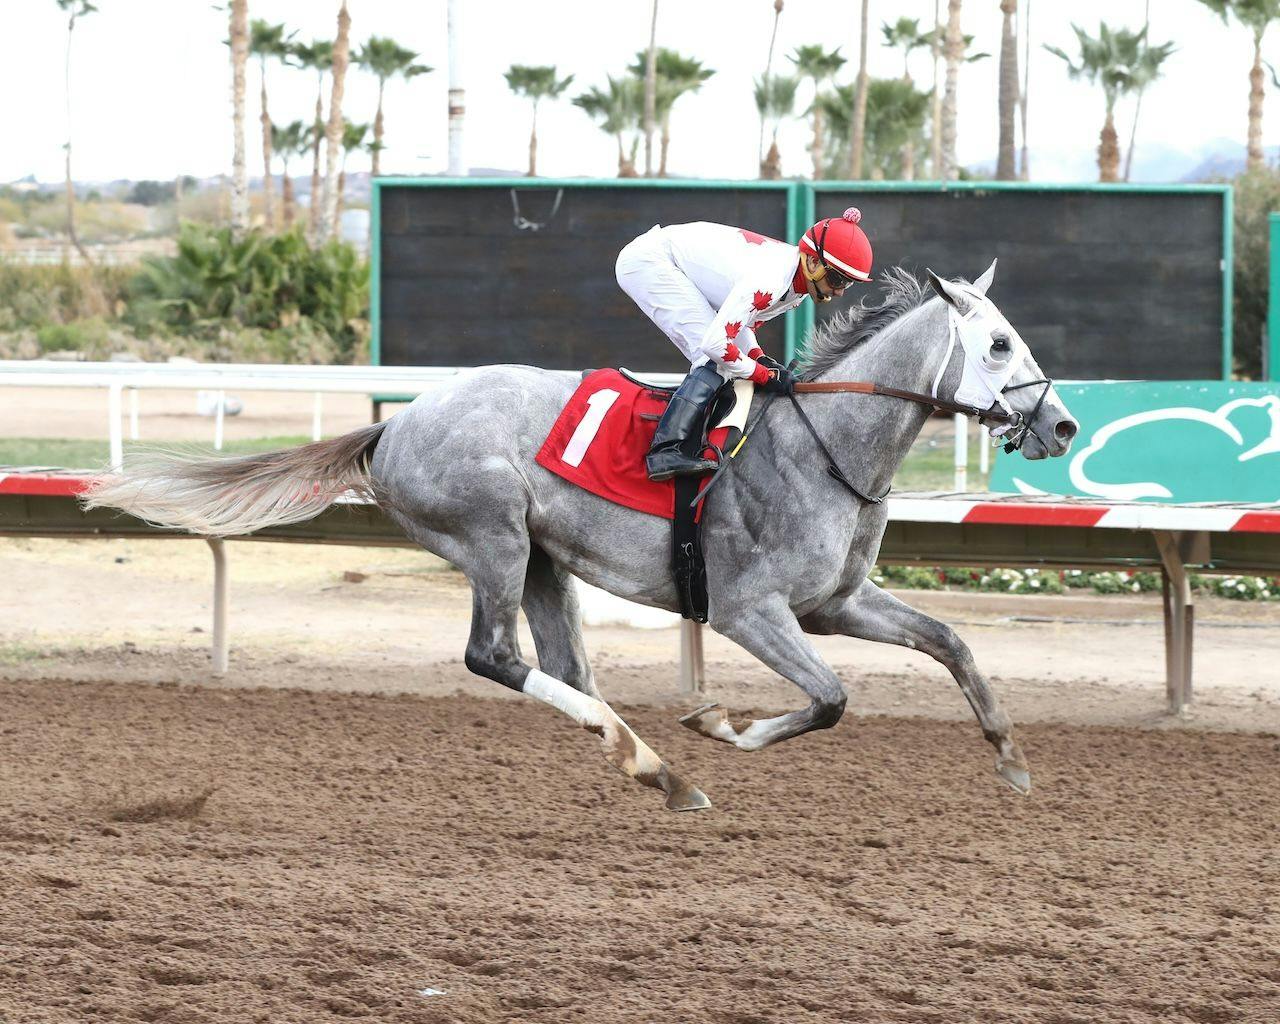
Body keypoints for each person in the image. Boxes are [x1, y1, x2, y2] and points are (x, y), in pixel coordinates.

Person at [615, 208, 873, 480]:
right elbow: (716, 344)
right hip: (650, 263)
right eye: (837, 279)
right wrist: (763, 374)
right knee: (713, 361)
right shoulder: (772, 281)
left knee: (730, 364)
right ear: (811, 263)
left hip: (667, 259)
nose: (840, 291)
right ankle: (665, 451)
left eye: (849, 283)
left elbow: (741, 324)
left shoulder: (795, 286)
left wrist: (760, 358)